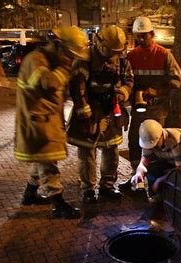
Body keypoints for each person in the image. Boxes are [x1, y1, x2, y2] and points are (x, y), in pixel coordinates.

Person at [14, 26, 90, 219]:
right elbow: (47, 84)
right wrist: (65, 69)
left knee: (41, 160)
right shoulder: (36, 60)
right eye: (68, 54)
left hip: (46, 121)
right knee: (48, 165)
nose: (71, 59)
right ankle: (58, 204)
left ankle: (29, 195)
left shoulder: (50, 60)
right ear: (58, 45)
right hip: (37, 123)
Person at [67, 25, 133, 204]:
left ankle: (107, 185)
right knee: (87, 152)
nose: (112, 55)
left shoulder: (121, 60)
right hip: (90, 109)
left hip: (111, 110)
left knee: (111, 150)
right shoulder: (84, 60)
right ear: (99, 42)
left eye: (116, 51)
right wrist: (86, 115)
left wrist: (123, 92)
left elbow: (129, 80)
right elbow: (77, 88)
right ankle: (88, 189)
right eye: (110, 50)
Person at [120, 16, 181, 190]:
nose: (141, 39)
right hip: (139, 107)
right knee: (135, 141)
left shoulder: (164, 55)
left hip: (158, 109)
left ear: (152, 34)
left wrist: (157, 91)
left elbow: (178, 79)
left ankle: (153, 181)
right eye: (138, 36)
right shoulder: (131, 56)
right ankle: (137, 177)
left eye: (144, 36)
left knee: (155, 144)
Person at [131, 119, 181, 193]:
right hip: (173, 163)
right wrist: (139, 173)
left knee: (178, 183)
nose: (151, 148)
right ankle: (159, 194)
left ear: (161, 136)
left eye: (154, 145)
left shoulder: (177, 141)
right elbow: (144, 162)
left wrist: (159, 181)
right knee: (152, 170)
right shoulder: (150, 139)